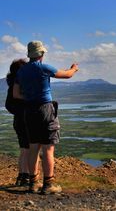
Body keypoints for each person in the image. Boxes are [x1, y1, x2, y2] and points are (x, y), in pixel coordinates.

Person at [17, 41, 78, 194]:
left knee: (33, 148)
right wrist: (74, 68)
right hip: (45, 109)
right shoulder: (43, 67)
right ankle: (48, 184)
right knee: (48, 148)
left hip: (29, 111)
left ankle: (33, 183)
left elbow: (16, 94)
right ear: (41, 54)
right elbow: (67, 75)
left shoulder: (22, 71)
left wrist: (30, 97)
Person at [6, 59, 31, 189]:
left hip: (18, 120)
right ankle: (26, 177)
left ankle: (21, 176)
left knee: (24, 149)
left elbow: (8, 105)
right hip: (25, 120)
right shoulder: (20, 85)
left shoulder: (12, 85)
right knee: (29, 149)